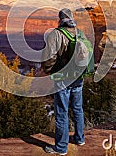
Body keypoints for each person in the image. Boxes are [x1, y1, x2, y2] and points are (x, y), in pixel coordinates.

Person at [42, 8, 86, 155]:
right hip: (79, 77)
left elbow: (49, 57)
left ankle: (61, 148)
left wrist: (49, 70)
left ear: (59, 20)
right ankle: (79, 139)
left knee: (61, 112)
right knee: (78, 108)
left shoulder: (55, 34)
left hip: (63, 79)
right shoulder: (79, 33)